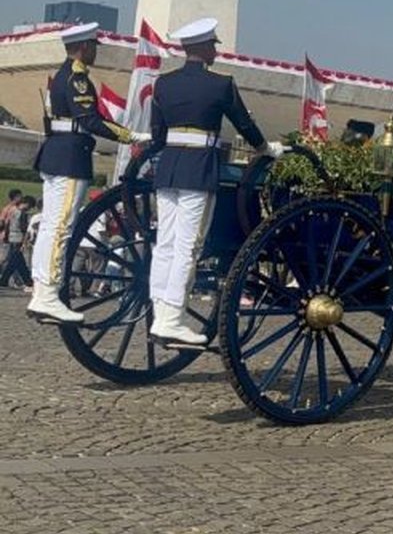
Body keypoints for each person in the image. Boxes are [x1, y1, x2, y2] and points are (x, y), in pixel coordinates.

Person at [146, 18, 280, 348]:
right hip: (198, 168)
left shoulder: (163, 84)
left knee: (164, 244)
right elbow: (244, 125)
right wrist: (266, 148)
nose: (216, 51)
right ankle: (173, 319)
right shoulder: (220, 85)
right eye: (213, 46)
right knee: (187, 247)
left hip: (169, 169)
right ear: (204, 48)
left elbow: (158, 133)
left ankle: (160, 312)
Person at [28, 23, 135, 323]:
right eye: (95, 46)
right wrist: (130, 136)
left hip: (56, 153)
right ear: (85, 47)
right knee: (61, 225)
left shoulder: (62, 74)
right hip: (70, 156)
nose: (96, 51)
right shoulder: (77, 78)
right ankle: (48, 294)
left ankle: (41, 291)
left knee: (51, 225)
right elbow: (90, 119)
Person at [0, 196, 35, 289]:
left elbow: (7, 224)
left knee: (14, 261)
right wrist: (25, 241)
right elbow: (24, 229)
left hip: (11, 238)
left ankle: (4, 280)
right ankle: (28, 281)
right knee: (18, 262)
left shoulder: (12, 211)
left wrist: (6, 236)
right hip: (19, 239)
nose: (29, 208)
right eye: (30, 206)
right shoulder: (22, 214)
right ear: (27, 204)